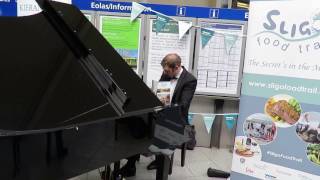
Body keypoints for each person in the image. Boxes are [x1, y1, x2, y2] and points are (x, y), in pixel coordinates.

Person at [113, 53, 197, 178]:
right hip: (161, 112)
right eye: (164, 70)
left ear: (177, 67)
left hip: (177, 118)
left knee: (149, 127)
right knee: (137, 123)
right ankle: (132, 163)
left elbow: (183, 105)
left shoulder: (190, 80)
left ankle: (158, 159)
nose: (165, 73)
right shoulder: (166, 73)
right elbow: (161, 92)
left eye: (168, 71)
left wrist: (166, 105)